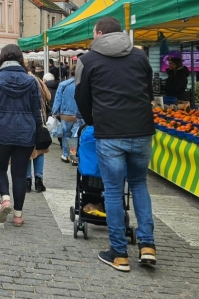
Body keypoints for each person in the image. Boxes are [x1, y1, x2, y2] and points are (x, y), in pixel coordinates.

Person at [75, 16, 156, 272]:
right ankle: (147, 245)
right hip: (141, 129)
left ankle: (119, 253)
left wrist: (92, 120)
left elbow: (81, 97)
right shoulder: (140, 56)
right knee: (139, 185)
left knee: (112, 190)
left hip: (109, 131)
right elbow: (148, 91)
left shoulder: (86, 60)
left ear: (98, 33)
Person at [0, 44, 41, 227]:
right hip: (25, 131)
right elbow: (36, 109)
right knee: (19, 173)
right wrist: (38, 130)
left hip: (1, 130)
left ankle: (5, 199)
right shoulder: (31, 81)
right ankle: (17, 216)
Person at [26, 72, 50, 193]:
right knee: (40, 150)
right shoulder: (38, 80)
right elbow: (49, 96)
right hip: (40, 119)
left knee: (26, 150)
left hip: (26, 119)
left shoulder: (22, 80)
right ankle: (39, 179)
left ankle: (27, 180)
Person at [52, 67, 82, 164]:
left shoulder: (63, 84)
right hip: (79, 114)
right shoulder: (82, 85)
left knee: (66, 134)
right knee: (75, 135)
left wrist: (54, 112)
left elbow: (58, 100)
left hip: (65, 114)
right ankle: (74, 156)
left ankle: (65, 155)